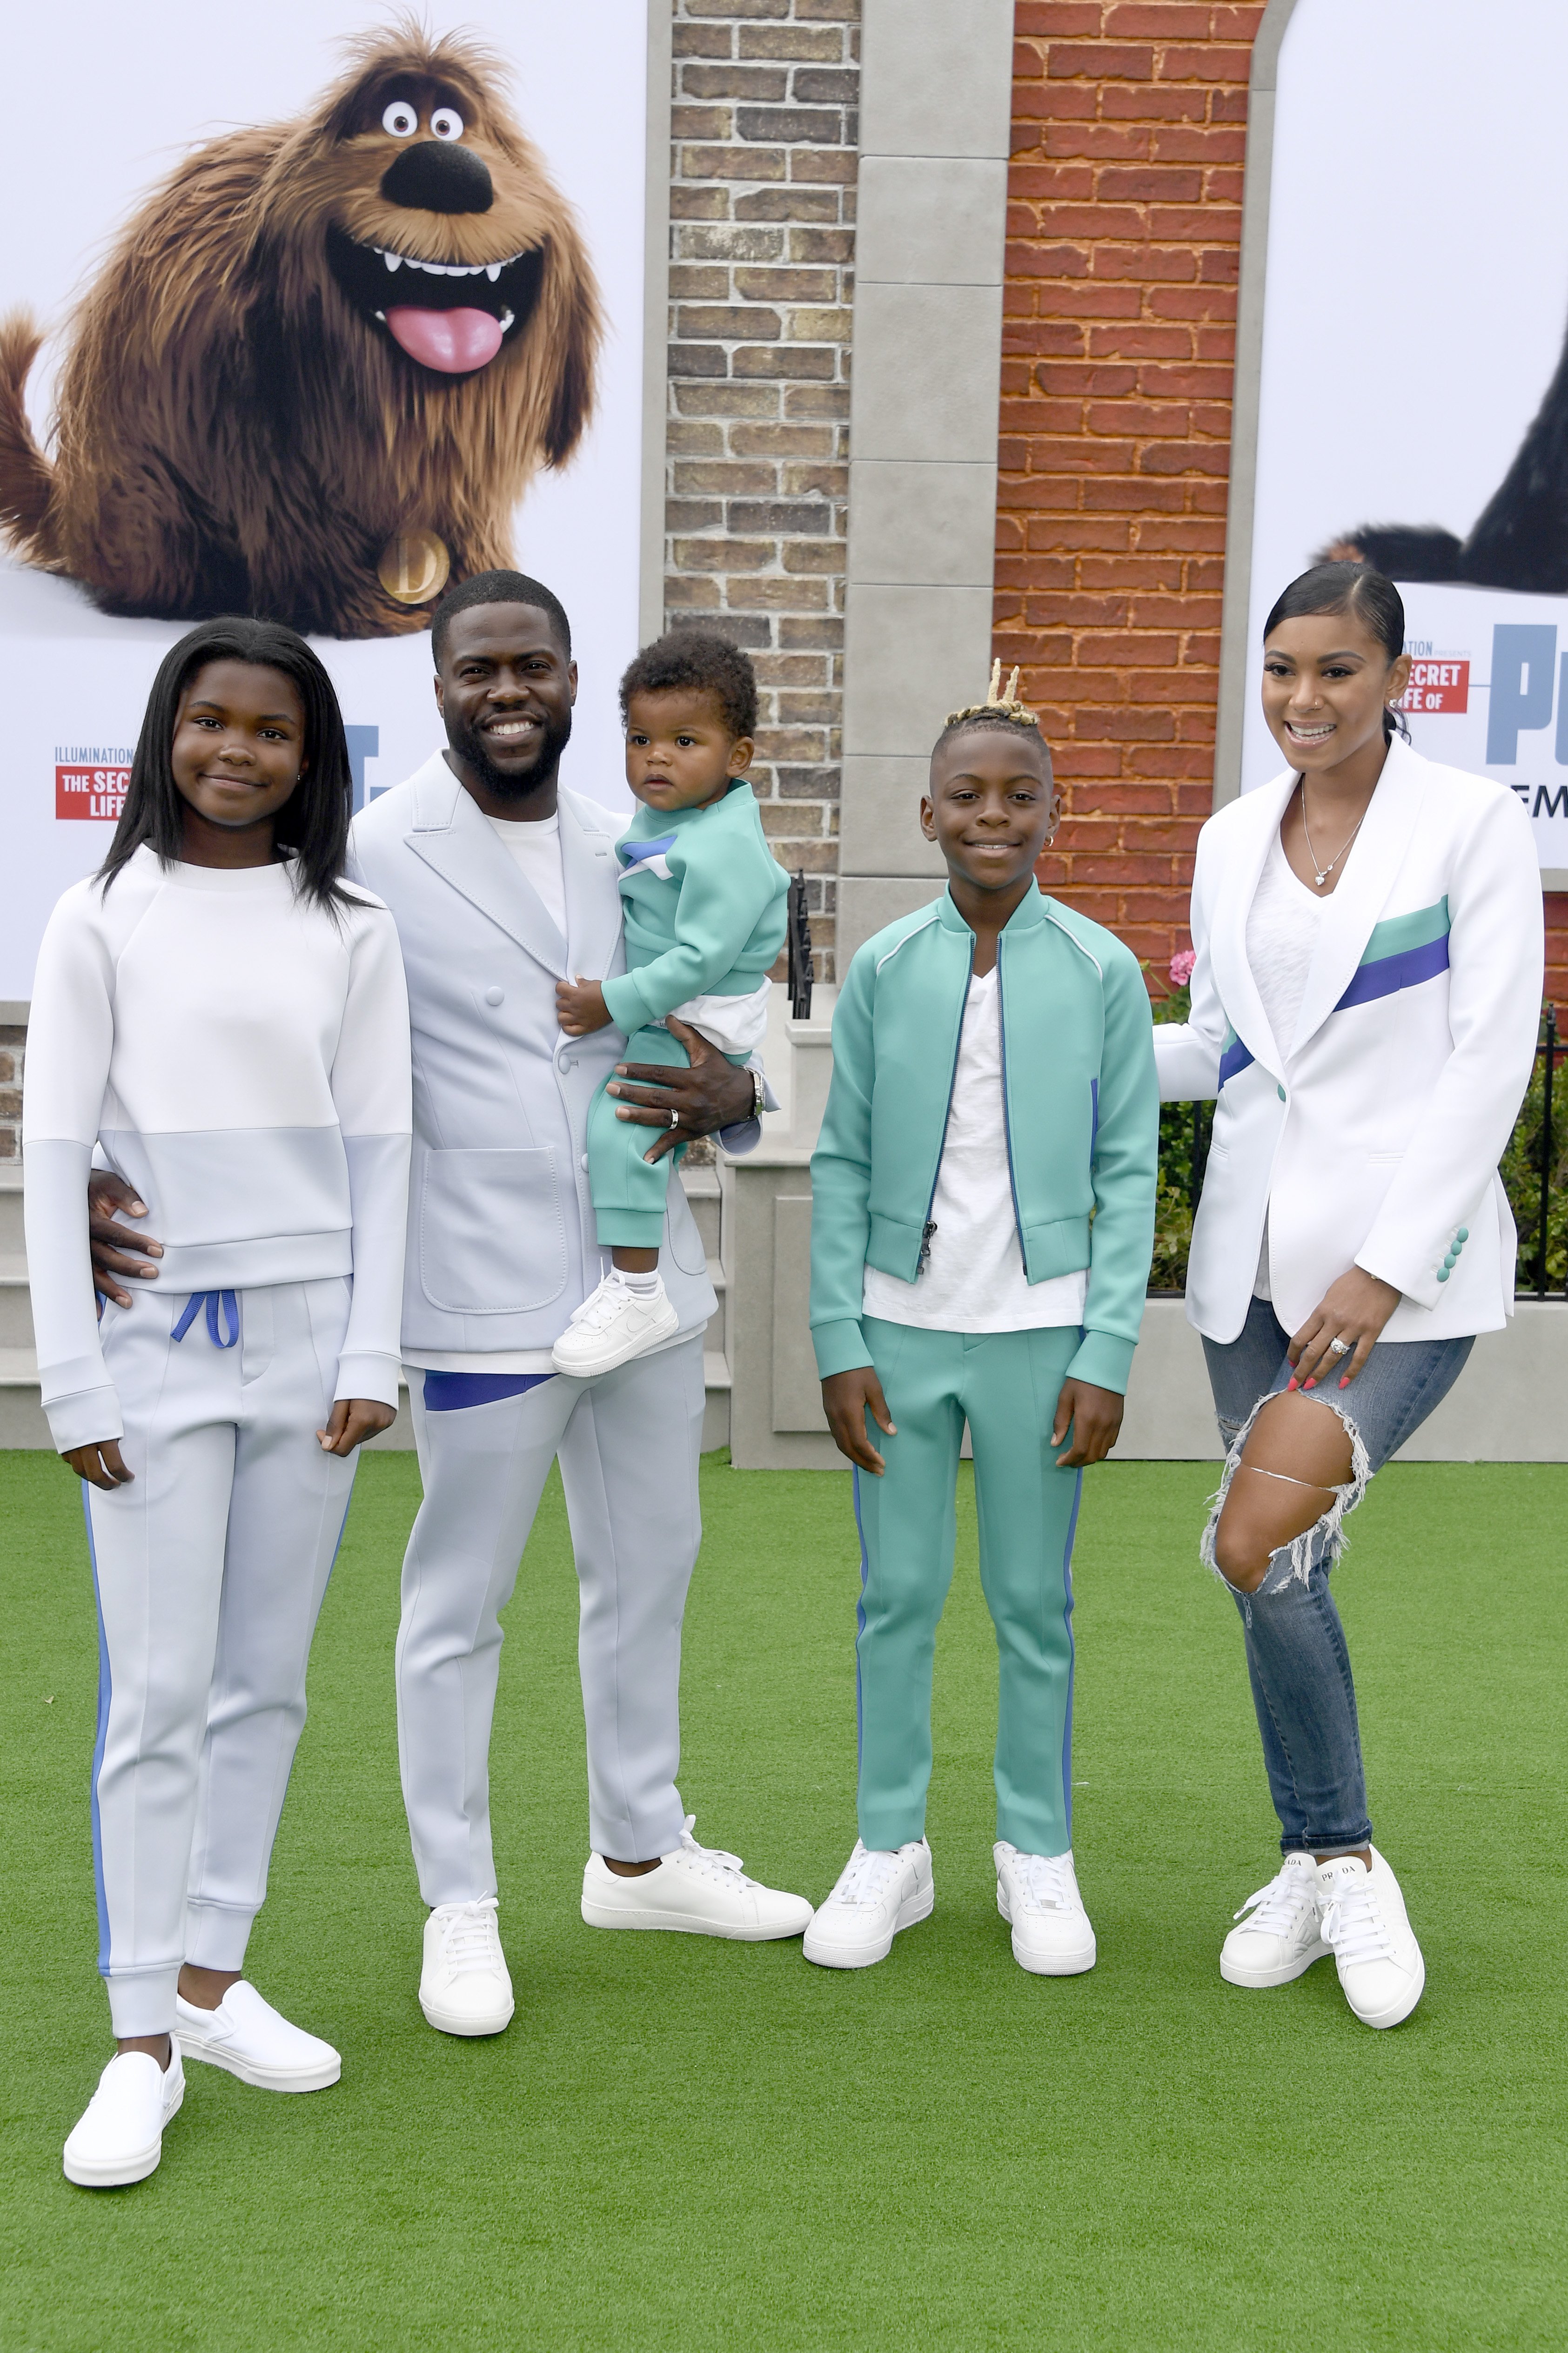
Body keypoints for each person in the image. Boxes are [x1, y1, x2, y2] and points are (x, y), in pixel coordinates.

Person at [90, 572, 812, 2044]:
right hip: (473, 1292)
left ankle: (640, 1849)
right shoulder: (364, 852)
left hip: (644, 1282)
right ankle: (460, 1902)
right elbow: (229, 1011)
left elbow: (739, 1004)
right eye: (478, 668)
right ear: (436, 687)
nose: (507, 691)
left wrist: (749, 1099)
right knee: (455, 1608)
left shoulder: (650, 832)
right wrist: (103, 1165)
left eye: (533, 666)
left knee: (650, 1571)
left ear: (568, 680)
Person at [28, 618, 411, 2186]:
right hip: (153, 1354)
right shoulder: (99, 913)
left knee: (266, 1684)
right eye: (210, 721)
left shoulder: (353, 924)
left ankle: (212, 1980)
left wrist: (368, 1354)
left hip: (309, 1345)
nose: (237, 751)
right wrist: (72, 1374)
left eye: (272, 729)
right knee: (160, 1692)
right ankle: (138, 2043)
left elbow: (385, 1149)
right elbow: (53, 1157)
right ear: (165, 732)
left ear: (310, 755)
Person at [1156, 561, 1543, 2030]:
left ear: (1396, 675)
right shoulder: (1230, 835)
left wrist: (1383, 1268)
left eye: (1333, 671)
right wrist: (1064, 1039)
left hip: (1395, 1279)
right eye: (1280, 673)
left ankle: (1347, 1856)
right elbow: (1222, 1049)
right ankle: (1310, 1864)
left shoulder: (1470, 826)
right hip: (1249, 1270)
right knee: (1283, 1574)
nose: (1301, 702)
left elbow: (1488, 1057)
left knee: (1256, 1540)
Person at [803, 666, 1158, 1973]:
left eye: (1020, 796)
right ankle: (889, 1848)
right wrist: (841, 1340)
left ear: (1055, 816)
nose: (992, 816)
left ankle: (1036, 1855)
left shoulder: (1103, 969)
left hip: (1044, 1340)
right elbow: (841, 1160)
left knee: (1030, 1601)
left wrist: (1106, 1350)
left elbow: (1128, 1172)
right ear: (926, 816)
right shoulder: (887, 969)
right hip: (900, 1338)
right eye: (968, 795)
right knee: (896, 1593)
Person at [552, 631, 789, 1378]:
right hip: (680, 1002)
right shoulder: (677, 818)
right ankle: (625, 1278)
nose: (656, 757)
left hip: (697, 1015)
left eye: (684, 741)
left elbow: (700, 959)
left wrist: (610, 1004)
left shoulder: (723, 846)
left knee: (623, 1119)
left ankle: (637, 1288)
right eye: (639, 738)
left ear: (737, 757)